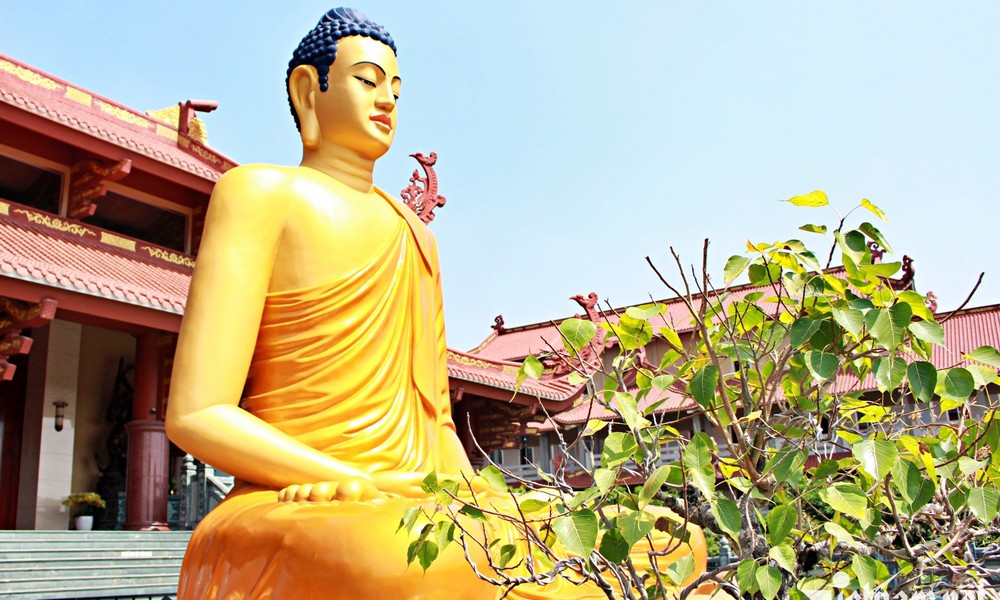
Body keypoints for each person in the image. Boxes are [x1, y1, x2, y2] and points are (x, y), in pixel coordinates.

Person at [166, 8, 708, 599]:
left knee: (667, 542)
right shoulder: (260, 195)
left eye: (396, 89)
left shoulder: (414, 234)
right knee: (384, 560)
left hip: (417, 494)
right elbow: (197, 415)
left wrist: (482, 494)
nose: (387, 101)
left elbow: (436, 419)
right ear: (306, 91)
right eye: (368, 81)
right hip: (297, 502)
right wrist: (339, 477)